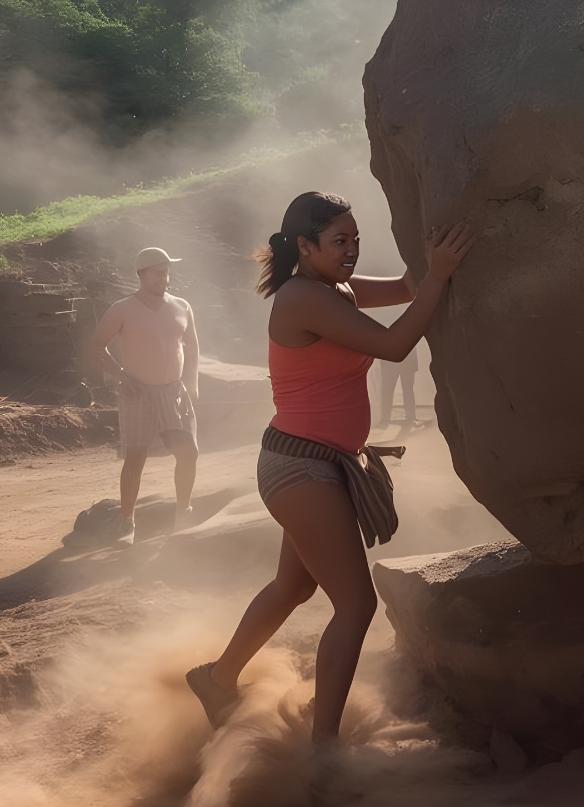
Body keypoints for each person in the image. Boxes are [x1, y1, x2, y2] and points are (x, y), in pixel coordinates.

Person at [185, 191, 472, 749]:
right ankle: (323, 753)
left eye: (356, 239)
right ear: (305, 246)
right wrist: (436, 277)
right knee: (356, 603)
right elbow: (393, 345)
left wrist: (433, 258)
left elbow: (406, 290)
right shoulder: (301, 297)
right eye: (340, 241)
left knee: (293, 585)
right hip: (300, 469)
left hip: (316, 465)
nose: (352, 250)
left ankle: (216, 680)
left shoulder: (334, 287)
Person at [87, 246, 200, 546]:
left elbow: (192, 347)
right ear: (142, 274)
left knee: (188, 452)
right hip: (138, 393)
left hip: (173, 392)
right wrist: (120, 376)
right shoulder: (122, 309)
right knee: (135, 458)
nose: (164, 276)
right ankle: (127, 523)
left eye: (166, 271)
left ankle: (183, 514)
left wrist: (192, 382)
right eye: (158, 271)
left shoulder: (181, 306)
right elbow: (98, 346)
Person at [374, 343, 422, 429]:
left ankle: (410, 417)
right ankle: (386, 419)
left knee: (407, 391)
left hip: (406, 360)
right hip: (391, 360)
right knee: (388, 392)